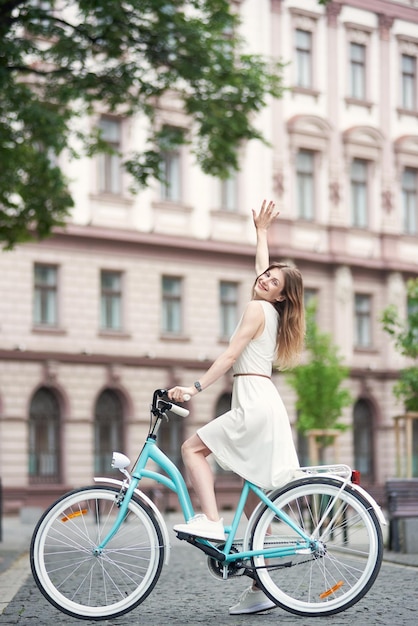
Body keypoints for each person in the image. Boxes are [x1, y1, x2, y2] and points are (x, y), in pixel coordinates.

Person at [168, 199, 305, 615]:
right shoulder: (271, 311)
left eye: (274, 281)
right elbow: (261, 272)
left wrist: (194, 388)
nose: (265, 279)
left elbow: (229, 357)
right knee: (254, 507)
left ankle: (209, 519)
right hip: (265, 403)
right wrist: (261, 233)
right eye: (266, 275)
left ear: (281, 297)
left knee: (192, 450)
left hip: (254, 404)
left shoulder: (255, 309)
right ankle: (261, 588)